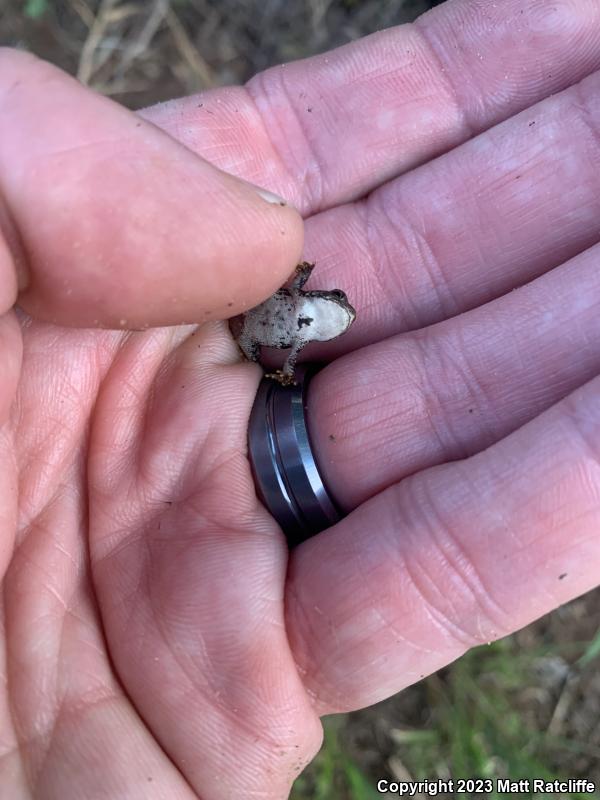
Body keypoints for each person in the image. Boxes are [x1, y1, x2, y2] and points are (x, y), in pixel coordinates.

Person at [1, 0, 599, 796]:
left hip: (283, 327)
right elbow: (267, 333)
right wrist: (276, 347)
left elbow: (310, 313)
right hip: (259, 330)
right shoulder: (277, 334)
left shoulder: (321, 318)